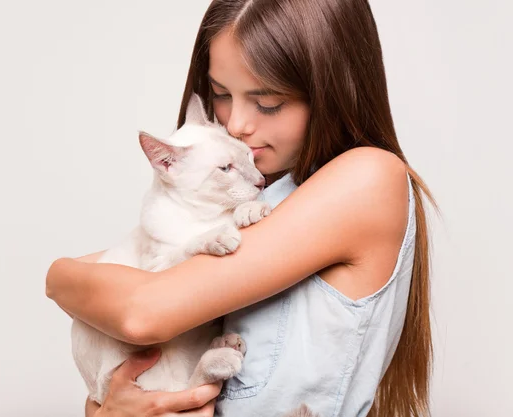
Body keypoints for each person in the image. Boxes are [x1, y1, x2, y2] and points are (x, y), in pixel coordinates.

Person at [45, 0, 437, 416]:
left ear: (333, 89)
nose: (235, 126)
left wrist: (57, 278)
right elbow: (109, 285)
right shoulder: (254, 195)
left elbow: (140, 311)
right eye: (221, 95)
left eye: (267, 103)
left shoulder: (367, 179)